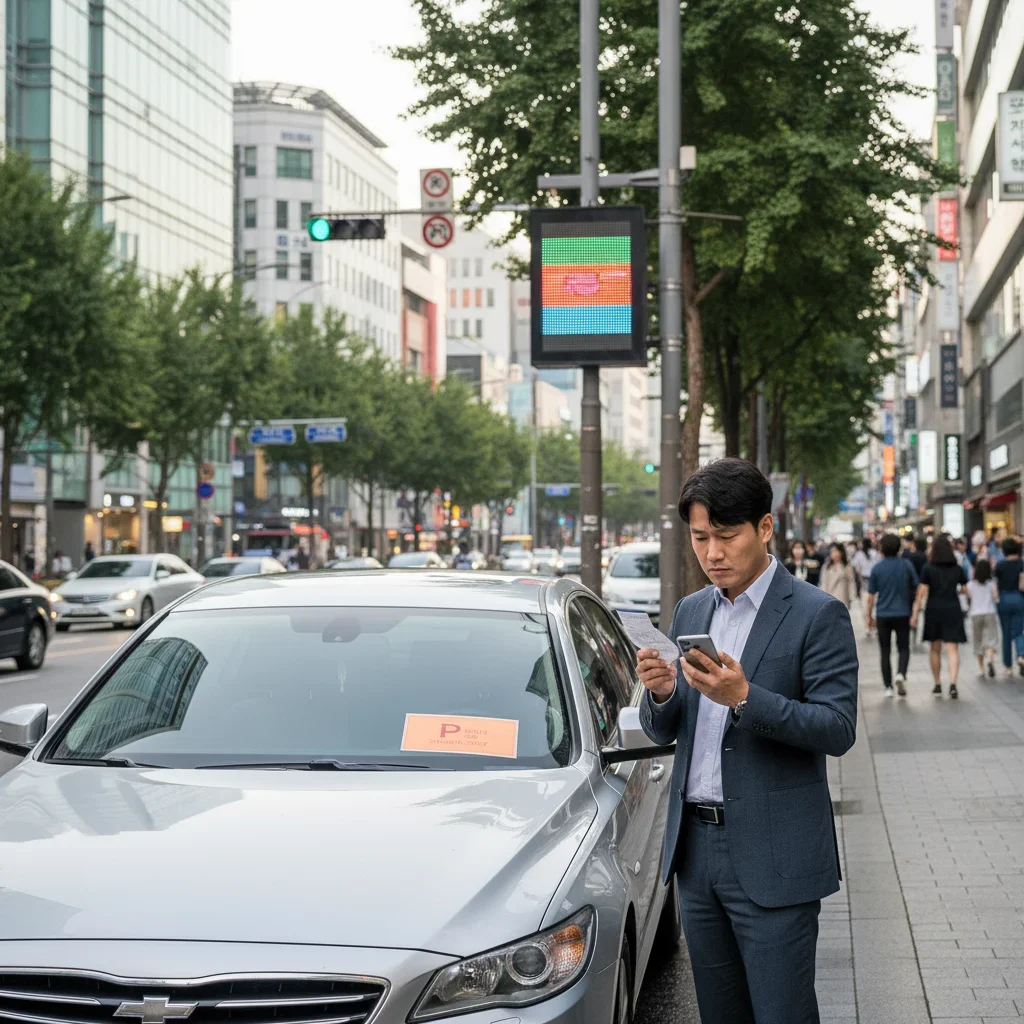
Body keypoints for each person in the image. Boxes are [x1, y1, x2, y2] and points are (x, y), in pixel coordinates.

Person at [636, 457, 857, 1024]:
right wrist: (661, 694)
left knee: (782, 1012)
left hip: (775, 854)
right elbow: (670, 727)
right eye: (700, 538)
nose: (712, 554)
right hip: (697, 855)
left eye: (726, 536)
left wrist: (744, 696)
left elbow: (837, 728)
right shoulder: (691, 609)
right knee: (719, 1013)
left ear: (764, 528)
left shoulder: (817, 614)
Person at [911, 534, 967, 699]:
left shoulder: (928, 568)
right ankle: (953, 684)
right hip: (952, 608)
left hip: (934, 609)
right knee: (952, 648)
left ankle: (937, 683)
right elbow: (965, 589)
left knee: (935, 648)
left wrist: (915, 614)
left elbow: (921, 593)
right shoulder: (957, 569)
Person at [865, 533, 919, 697]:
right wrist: (915, 610)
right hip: (903, 613)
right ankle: (901, 674)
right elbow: (916, 587)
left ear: (881, 549)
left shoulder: (877, 568)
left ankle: (888, 687)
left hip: (883, 614)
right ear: (899, 548)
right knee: (903, 647)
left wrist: (869, 616)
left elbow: (871, 597)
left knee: (885, 650)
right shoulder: (906, 565)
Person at [993, 536, 1024, 677]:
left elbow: (995, 587)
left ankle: (1008, 667)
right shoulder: (1021, 564)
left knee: (1005, 633)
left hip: (1004, 599)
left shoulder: (999, 565)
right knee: (1018, 631)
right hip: (1018, 599)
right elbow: (1022, 585)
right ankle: (1021, 655)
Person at [966, 558, 999, 679]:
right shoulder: (991, 583)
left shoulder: (971, 585)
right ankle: (990, 659)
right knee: (991, 638)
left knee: (978, 640)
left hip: (976, 614)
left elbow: (968, 598)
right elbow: (996, 597)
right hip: (989, 612)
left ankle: (981, 669)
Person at [852, 538, 880, 635]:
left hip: (864, 581)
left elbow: (856, 568)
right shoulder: (875, 553)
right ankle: (874, 624)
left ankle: (868, 625)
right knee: (875, 605)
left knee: (866, 604)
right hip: (876, 580)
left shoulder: (859, 554)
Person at [820, 542, 855, 608]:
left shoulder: (846, 566)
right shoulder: (826, 567)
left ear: (841, 552)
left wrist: (851, 597)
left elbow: (851, 581)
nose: (834, 554)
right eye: (832, 551)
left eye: (836, 551)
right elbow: (824, 583)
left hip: (843, 598)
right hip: (829, 598)